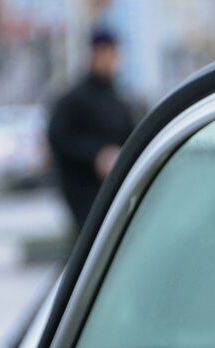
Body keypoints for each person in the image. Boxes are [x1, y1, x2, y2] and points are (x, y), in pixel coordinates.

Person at [47, 27, 137, 234]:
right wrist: (97, 155)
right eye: (108, 53)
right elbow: (60, 138)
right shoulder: (73, 99)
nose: (113, 60)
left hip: (116, 191)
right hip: (85, 193)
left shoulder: (119, 98)